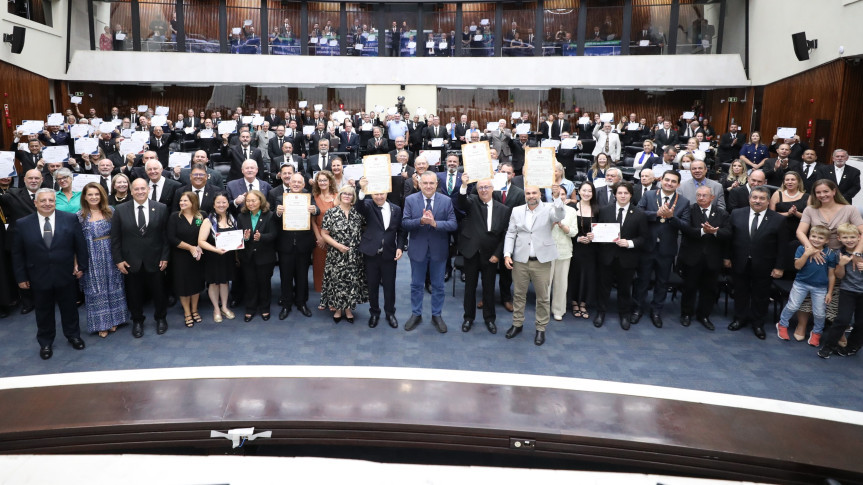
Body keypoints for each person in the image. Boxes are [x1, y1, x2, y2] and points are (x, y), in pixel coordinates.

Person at [12, 189, 88, 360]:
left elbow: (80, 244)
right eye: (43, 200)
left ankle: (73, 336)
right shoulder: (23, 224)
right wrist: (21, 277)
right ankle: (45, 342)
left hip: (66, 273)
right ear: (35, 203)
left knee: (69, 308)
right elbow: (17, 253)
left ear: (55, 202)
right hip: (38, 276)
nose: (47, 203)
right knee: (43, 311)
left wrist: (82, 266)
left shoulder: (69, 219)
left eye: (51, 200)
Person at [793, 179, 863, 342]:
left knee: (837, 294)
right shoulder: (811, 209)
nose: (822, 195)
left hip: (839, 258)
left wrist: (857, 254)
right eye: (818, 192)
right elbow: (800, 232)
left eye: (826, 191)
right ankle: (802, 325)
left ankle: (837, 329)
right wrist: (811, 249)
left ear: (834, 191)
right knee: (807, 291)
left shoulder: (849, 209)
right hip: (815, 255)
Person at [503, 184, 566, 346]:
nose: (531, 196)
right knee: (518, 295)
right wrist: (507, 254)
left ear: (540, 194)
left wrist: (557, 197)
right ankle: (517, 324)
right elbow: (511, 233)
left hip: (542, 261)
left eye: (534, 193)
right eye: (528, 193)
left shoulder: (550, 208)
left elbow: (559, 216)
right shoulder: (517, 210)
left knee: (543, 298)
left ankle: (541, 328)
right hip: (520, 261)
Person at [111, 177, 171, 338]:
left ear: (148, 189)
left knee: (159, 292)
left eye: (143, 188)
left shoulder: (161, 208)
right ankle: (137, 321)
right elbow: (115, 238)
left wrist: (165, 256)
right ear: (131, 191)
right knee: (134, 294)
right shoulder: (121, 209)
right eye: (136, 189)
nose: (140, 192)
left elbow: (166, 236)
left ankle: (161, 318)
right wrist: (118, 260)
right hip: (131, 261)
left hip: (156, 259)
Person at [726, 186, 787, 340]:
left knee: (761, 295)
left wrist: (779, 267)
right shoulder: (736, 214)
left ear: (768, 201)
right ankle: (739, 318)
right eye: (754, 197)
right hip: (739, 262)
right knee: (740, 292)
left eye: (761, 198)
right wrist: (727, 257)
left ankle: (757, 323)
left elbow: (782, 246)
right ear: (749, 199)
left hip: (764, 265)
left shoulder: (778, 219)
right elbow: (729, 239)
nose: (757, 201)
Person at [402, 171, 457, 333]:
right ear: (419, 184)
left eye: (431, 183)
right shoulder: (410, 200)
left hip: (439, 250)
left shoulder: (446, 201)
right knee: (416, 285)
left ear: (436, 184)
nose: (428, 186)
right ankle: (416, 313)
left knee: (439, 286)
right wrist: (420, 221)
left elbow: (453, 225)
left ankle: (436, 315)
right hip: (417, 250)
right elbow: (404, 223)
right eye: (425, 183)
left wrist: (434, 224)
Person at [633, 170, 690, 327]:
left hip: (667, 249)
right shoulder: (649, 195)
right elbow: (638, 213)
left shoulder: (683, 202)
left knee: (662, 282)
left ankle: (656, 311)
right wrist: (656, 214)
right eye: (667, 180)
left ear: (678, 184)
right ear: (661, 180)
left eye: (673, 181)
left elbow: (686, 226)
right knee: (642, 280)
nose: (669, 183)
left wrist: (672, 217)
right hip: (647, 246)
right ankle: (637, 309)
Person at [456, 174, 511, 333]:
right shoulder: (471, 202)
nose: (484, 190)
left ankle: (489, 318)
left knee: (488, 288)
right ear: (477, 190)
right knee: (469, 288)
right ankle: (468, 318)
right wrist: (464, 185)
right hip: (471, 252)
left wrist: (497, 254)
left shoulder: (504, 210)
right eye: (480, 187)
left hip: (491, 255)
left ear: (493, 189)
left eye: (487, 187)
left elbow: (504, 235)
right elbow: (461, 202)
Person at [594, 182, 648, 330]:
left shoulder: (639, 214)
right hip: (607, 256)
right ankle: (600, 312)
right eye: (620, 193)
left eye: (626, 193)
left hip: (627, 258)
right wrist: (595, 235)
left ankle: (624, 314)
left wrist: (629, 243)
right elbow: (600, 232)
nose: (623, 196)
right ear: (615, 194)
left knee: (625, 289)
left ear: (631, 195)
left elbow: (643, 238)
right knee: (603, 287)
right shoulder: (605, 211)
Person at [78, 183, 129, 338]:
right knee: (96, 289)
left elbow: (119, 235)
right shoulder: (80, 216)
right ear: (85, 197)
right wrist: (77, 263)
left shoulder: (111, 211)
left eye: (97, 194)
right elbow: (76, 241)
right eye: (90, 194)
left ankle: (115, 320)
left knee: (114, 285)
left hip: (111, 254)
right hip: (91, 256)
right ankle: (102, 324)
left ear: (102, 196)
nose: (94, 197)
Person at [355, 178, 406, 329]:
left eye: (381, 193)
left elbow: (401, 231)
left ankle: (390, 313)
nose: (379, 196)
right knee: (372, 286)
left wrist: (400, 247)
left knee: (390, 286)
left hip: (389, 254)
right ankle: (374, 313)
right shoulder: (368, 205)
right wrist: (362, 189)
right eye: (376, 194)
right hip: (371, 254)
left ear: (387, 193)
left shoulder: (396, 209)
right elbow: (359, 206)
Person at [776, 225, 838, 347]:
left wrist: (829, 292)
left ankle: (816, 333)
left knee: (819, 313)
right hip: (801, 284)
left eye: (820, 238)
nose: (816, 239)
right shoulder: (801, 249)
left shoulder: (830, 254)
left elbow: (831, 275)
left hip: (820, 288)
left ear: (826, 241)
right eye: (813, 236)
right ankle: (782, 324)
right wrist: (806, 254)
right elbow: (797, 266)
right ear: (809, 237)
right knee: (793, 306)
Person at [678, 185, 730, 330]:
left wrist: (714, 232)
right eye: (698, 195)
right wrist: (703, 231)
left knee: (709, 289)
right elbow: (686, 229)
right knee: (689, 288)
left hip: (713, 259)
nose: (700, 198)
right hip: (692, 257)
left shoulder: (722, 213)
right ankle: (686, 314)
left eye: (704, 195)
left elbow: (727, 233)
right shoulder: (690, 210)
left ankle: (704, 315)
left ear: (712, 198)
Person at [273, 172, 319, 320]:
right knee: (285, 276)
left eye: (300, 182)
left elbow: (317, 210)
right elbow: (274, 218)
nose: (297, 184)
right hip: (285, 244)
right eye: (294, 182)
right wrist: (278, 213)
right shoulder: (280, 199)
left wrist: (315, 210)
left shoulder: (309, 197)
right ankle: (286, 304)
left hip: (303, 244)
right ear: (289, 183)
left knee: (302, 275)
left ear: (304, 184)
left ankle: (301, 303)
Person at [320, 185, 368, 323]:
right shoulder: (331, 213)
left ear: (353, 197)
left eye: (350, 194)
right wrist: (338, 246)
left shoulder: (357, 214)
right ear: (339, 195)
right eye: (344, 193)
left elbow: (365, 228)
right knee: (337, 282)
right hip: (336, 254)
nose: (347, 196)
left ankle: (348, 309)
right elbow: (324, 233)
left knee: (351, 282)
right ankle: (338, 309)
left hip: (354, 255)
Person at [819, 223, 863, 358]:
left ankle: (852, 347)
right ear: (839, 238)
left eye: (852, 237)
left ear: (859, 237)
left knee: (861, 323)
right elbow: (839, 276)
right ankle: (828, 346)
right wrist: (841, 265)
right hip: (847, 290)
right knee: (842, 320)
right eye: (845, 237)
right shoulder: (839, 254)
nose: (849, 240)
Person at [237, 190, 277, 322]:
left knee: (264, 283)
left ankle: (265, 308)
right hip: (247, 257)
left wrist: (262, 237)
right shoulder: (241, 216)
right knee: (250, 283)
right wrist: (245, 238)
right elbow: (238, 238)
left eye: (253, 200)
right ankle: (250, 308)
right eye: (248, 201)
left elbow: (274, 235)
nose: (250, 203)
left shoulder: (269, 215)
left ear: (261, 201)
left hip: (264, 257)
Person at [167, 192, 206, 327]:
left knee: (196, 284)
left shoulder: (201, 216)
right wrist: (190, 248)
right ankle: (187, 312)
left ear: (193, 202)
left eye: (185, 201)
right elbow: (172, 238)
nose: (182, 203)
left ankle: (195, 310)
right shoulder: (174, 217)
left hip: (198, 256)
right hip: (180, 256)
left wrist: (199, 247)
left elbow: (207, 234)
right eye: (181, 201)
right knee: (183, 285)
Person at [197, 193, 237, 323]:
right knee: (214, 283)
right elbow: (201, 241)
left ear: (228, 204)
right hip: (213, 257)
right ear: (213, 205)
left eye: (224, 202)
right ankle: (216, 309)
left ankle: (224, 307)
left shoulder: (232, 218)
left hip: (228, 257)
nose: (221, 205)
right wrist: (216, 250)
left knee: (225, 282)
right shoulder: (208, 221)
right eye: (218, 203)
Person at [569, 181, 599, 320]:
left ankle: (583, 303)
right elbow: (565, 227)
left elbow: (603, 229)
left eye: (590, 191)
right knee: (574, 274)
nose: (587, 193)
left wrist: (594, 236)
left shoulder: (598, 209)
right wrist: (577, 238)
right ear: (579, 191)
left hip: (591, 249)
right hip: (574, 247)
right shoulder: (571, 207)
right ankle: (574, 302)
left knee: (588, 275)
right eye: (584, 190)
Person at [548, 185, 578, 321]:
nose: (560, 197)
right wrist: (552, 224)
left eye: (563, 194)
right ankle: (543, 308)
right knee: (545, 283)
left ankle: (558, 310)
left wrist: (562, 225)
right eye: (557, 194)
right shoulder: (546, 209)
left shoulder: (571, 211)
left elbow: (573, 232)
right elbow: (538, 231)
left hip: (564, 251)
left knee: (561, 282)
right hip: (546, 251)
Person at [310, 170, 337, 299]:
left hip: (336, 236)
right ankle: (323, 297)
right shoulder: (314, 197)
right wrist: (319, 237)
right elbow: (312, 221)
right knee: (320, 265)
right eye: (320, 180)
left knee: (335, 267)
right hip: (319, 236)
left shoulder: (338, 196)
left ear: (330, 181)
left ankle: (333, 294)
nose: (322, 182)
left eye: (325, 180)